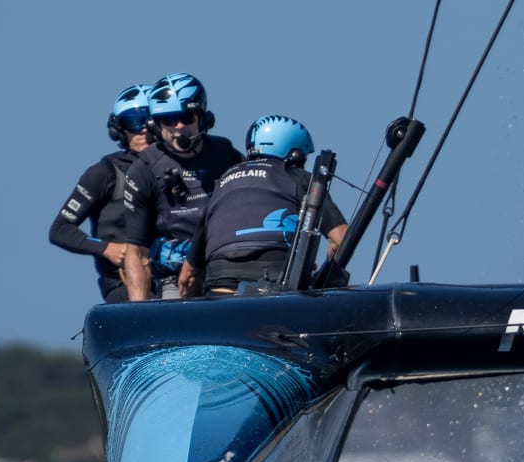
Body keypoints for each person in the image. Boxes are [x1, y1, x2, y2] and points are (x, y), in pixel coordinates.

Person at [179, 114, 348, 297]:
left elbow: (188, 277)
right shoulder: (300, 178)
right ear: (295, 154)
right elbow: (341, 239)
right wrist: (321, 283)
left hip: (221, 292)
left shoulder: (221, 187)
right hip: (277, 288)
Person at [123, 73, 244, 300]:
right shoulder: (144, 169)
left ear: (203, 118)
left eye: (187, 117)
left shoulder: (226, 154)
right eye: (169, 119)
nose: (178, 126)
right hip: (175, 276)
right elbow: (137, 251)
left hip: (226, 270)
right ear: (155, 125)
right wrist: (137, 311)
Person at [49, 84, 151, 303]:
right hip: (123, 284)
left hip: (174, 281)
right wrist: (106, 249)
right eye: (133, 122)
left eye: (150, 122)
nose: (143, 129)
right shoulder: (105, 173)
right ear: (119, 129)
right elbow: (60, 229)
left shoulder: (178, 170)